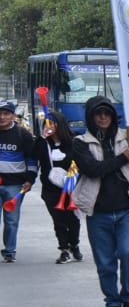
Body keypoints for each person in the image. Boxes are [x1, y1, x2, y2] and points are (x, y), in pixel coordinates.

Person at [69, 96, 129, 307]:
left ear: (113, 116)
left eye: (107, 113)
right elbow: (93, 169)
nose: (103, 117)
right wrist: (122, 158)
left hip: (126, 209)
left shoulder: (128, 138)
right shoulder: (80, 143)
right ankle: (112, 303)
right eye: (98, 114)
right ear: (91, 117)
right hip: (98, 211)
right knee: (105, 262)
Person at [35, 109, 83, 264]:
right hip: (51, 190)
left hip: (71, 188)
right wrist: (43, 137)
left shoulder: (74, 141)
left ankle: (74, 244)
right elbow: (34, 155)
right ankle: (63, 249)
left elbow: (81, 162)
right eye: (47, 123)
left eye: (53, 123)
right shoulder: (43, 142)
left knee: (73, 220)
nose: (50, 126)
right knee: (58, 220)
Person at [0, 99, 36, 262]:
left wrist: (30, 180)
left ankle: (9, 251)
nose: (2, 117)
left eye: (6, 114)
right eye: (0, 114)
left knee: (11, 220)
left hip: (15, 185)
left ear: (13, 116)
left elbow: (32, 160)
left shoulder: (23, 135)